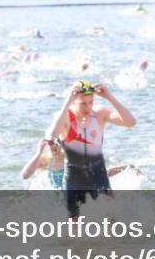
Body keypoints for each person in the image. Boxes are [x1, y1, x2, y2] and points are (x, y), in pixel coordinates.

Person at [48, 80, 136, 220]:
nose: (87, 108)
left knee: (112, 219)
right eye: (82, 103)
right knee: (74, 225)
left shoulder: (99, 114)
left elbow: (131, 122)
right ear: (73, 102)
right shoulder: (65, 117)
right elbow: (52, 135)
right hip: (74, 176)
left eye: (90, 102)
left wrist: (109, 97)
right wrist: (68, 100)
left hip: (98, 174)